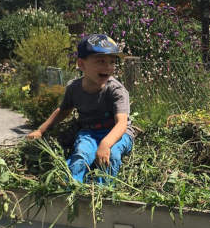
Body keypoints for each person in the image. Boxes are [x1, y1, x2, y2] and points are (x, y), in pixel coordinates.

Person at [26, 34, 134, 185]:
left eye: (112, 62)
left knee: (113, 155)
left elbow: (121, 124)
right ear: (81, 64)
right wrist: (41, 130)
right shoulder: (74, 88)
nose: (108, 67)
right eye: (101, 61)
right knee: (81, 154)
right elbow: (62, 111)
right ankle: (72, 186)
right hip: (89, 132)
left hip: (117, 134)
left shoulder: (116, 90)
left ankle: (101, 191)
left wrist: (106, 144)